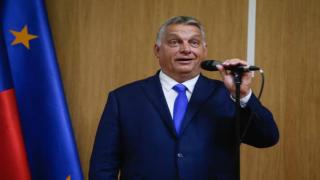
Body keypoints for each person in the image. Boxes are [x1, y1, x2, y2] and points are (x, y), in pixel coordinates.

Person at [89, 16, 279, 180]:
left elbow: (267, 137)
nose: (186, 49)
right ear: (157, 50)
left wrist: (243, 94)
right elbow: (103, 167)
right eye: (175, 42)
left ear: (204, 51)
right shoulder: (123, 99)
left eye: (194, 43)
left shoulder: (227, 95)